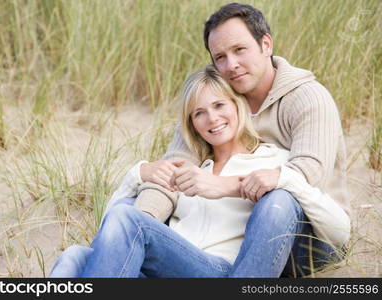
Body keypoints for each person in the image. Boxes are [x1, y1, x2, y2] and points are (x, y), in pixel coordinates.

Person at [49, 66, 350, 277]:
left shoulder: (272, 161)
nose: (212, 119)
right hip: (169, 268)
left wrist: (282, 178)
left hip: (220, 270)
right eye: (199, 113)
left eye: (220, 105)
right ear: (192, 123)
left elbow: (340, 230)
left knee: (130, 222)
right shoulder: (187, 171)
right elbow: (110, 237)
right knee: (76, 254)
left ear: (238, 107)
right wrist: (138, 174)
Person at [132, 2, 351, 277]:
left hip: (312, 235)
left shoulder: (307, 98)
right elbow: (174, 168)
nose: (231, 65)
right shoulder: (218, 102)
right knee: (132, 207)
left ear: (266, 44)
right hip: (236, 232)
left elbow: (307, 175)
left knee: (278, 200)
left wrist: (222, 185)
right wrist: (143, 221)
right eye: (220, 57)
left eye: (239, 50)